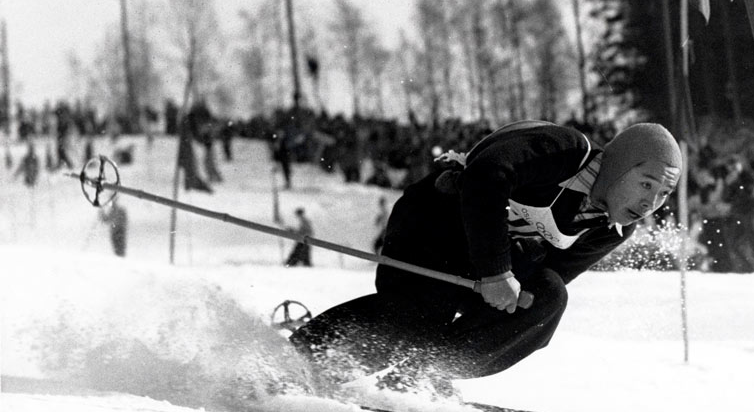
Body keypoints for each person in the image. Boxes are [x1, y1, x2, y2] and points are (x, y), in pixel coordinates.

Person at [290, 120, 682, 395]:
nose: (650, 202)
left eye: (663, 194)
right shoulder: (565, 151)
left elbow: (548, 273)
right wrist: (496, 271)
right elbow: (488, 172)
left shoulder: (611, 227)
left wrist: (502, 290)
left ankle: (421, 373)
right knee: (420, 315)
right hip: (433, 225)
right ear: (618, 167)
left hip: (484, 264)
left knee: (547, 298)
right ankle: (298, 361)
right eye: (645, 183)